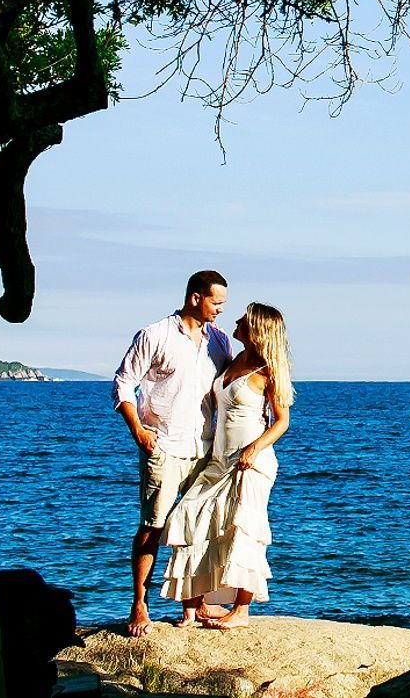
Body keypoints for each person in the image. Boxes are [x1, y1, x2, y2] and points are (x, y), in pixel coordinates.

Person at [113, 270, 235, 636]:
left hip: (206, 447)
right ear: (196, 297)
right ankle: (139, 604)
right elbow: (123, 383)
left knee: (202, 528)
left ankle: (197, 602)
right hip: (164, 446)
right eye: (217, 303)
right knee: (153, 526)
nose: (220, 310)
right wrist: (139, 432)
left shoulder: (220, 342)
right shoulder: (156, 334)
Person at [162, 302, 294, 629]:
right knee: (192, 516)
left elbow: (282, 421)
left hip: (251, 460)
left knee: (243, 528)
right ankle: (195, 609)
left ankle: (241, 611)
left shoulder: (267, 369)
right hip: (220, 459)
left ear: (257, 329)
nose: (236, 320)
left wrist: (254, 449)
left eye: (244, 320)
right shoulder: (235, 359)